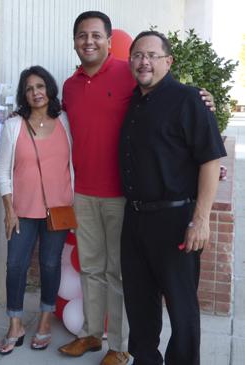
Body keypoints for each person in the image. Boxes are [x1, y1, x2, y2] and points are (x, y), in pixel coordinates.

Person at [58, 11, 215, 365]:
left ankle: (120, 346)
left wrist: (201, 218)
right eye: (82, 35)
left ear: (110, 42)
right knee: (109, 278)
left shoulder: (153, 86)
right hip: (105, 200)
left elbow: (205, 153)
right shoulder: (74, 85)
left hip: (148, 206)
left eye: (96, 35)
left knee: (162, 296)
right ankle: (99, 338)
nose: (89, 41)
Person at [119, 30, 225, 365]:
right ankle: (146, 359)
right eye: (137, 55)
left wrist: (201, 220)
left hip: (176, 220)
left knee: (181, 308)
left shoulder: (189, 99)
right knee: (139, 301)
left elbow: (210, 159)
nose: (143, 61)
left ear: (169, 61)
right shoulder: (134, 100)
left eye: (151, 55)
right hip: (135, 218)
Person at [0, 66, 74, 355]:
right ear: (23, 95)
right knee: (15, 265)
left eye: (40, 86)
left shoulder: (65, 120)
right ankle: (15, 323)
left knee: (51, 265)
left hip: (59, 209)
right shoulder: (13, 125)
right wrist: (8, 209)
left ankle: (44, 319)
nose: (35, 93)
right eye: (29, 89)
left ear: (49, 89)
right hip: (22, 210)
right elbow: (3, 171)